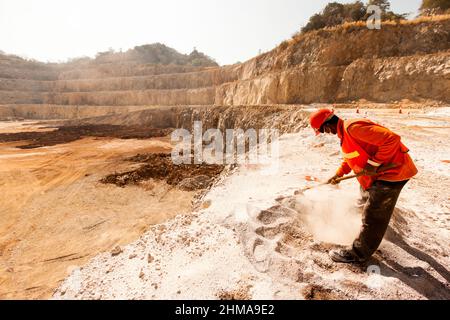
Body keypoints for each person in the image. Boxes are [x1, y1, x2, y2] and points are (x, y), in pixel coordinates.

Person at [309, 108, 418, 263]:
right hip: (375, 176)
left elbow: (392, 139)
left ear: (327, 124)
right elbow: (351, 157)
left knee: (374, 214)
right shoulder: (345, 135)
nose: (325, 133)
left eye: (323, 130)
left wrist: (373, 163)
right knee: (362, 201)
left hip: (392, 173)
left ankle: (358, 253)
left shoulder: (353, 128)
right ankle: (361, 229)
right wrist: (339, 174)